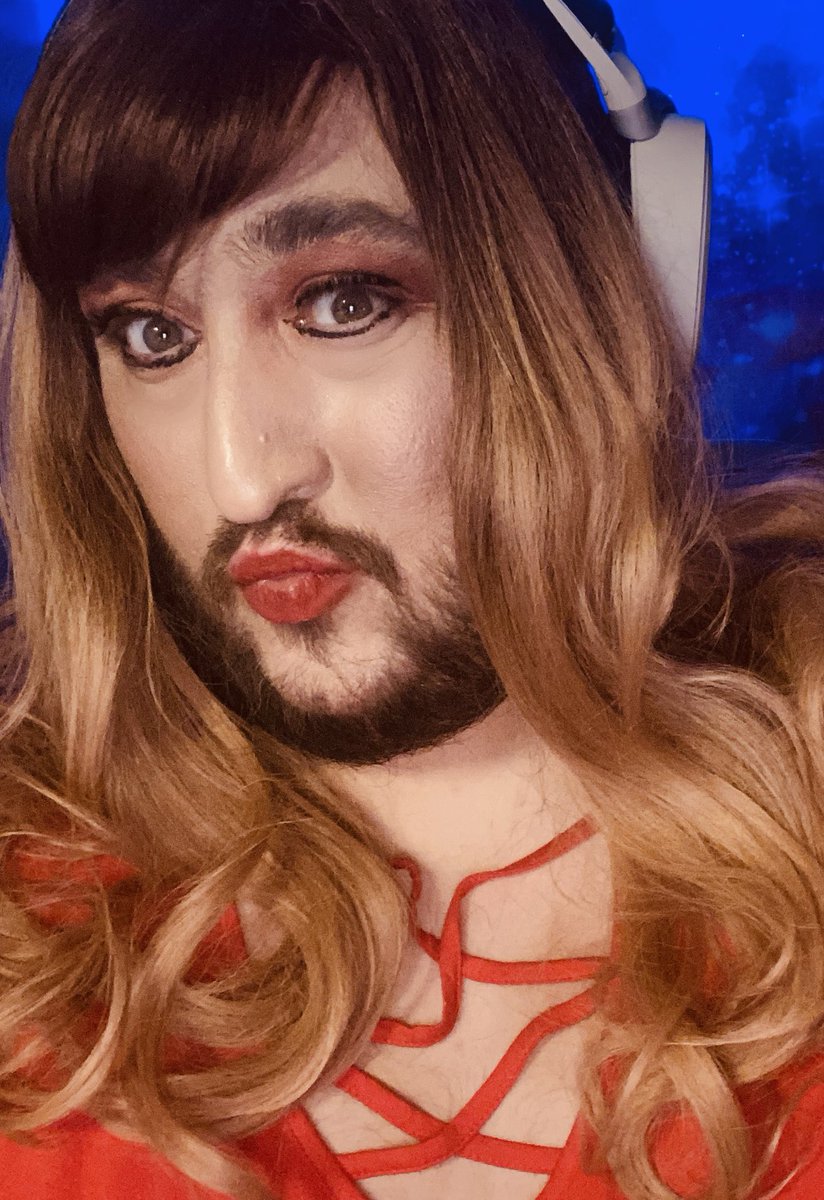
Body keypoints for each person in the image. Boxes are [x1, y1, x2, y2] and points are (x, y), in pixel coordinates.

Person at [1, 0, 824, 1197]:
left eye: (345, 302)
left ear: (625, 284)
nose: (239, 477)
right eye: (148, 334)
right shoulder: (32, 927)